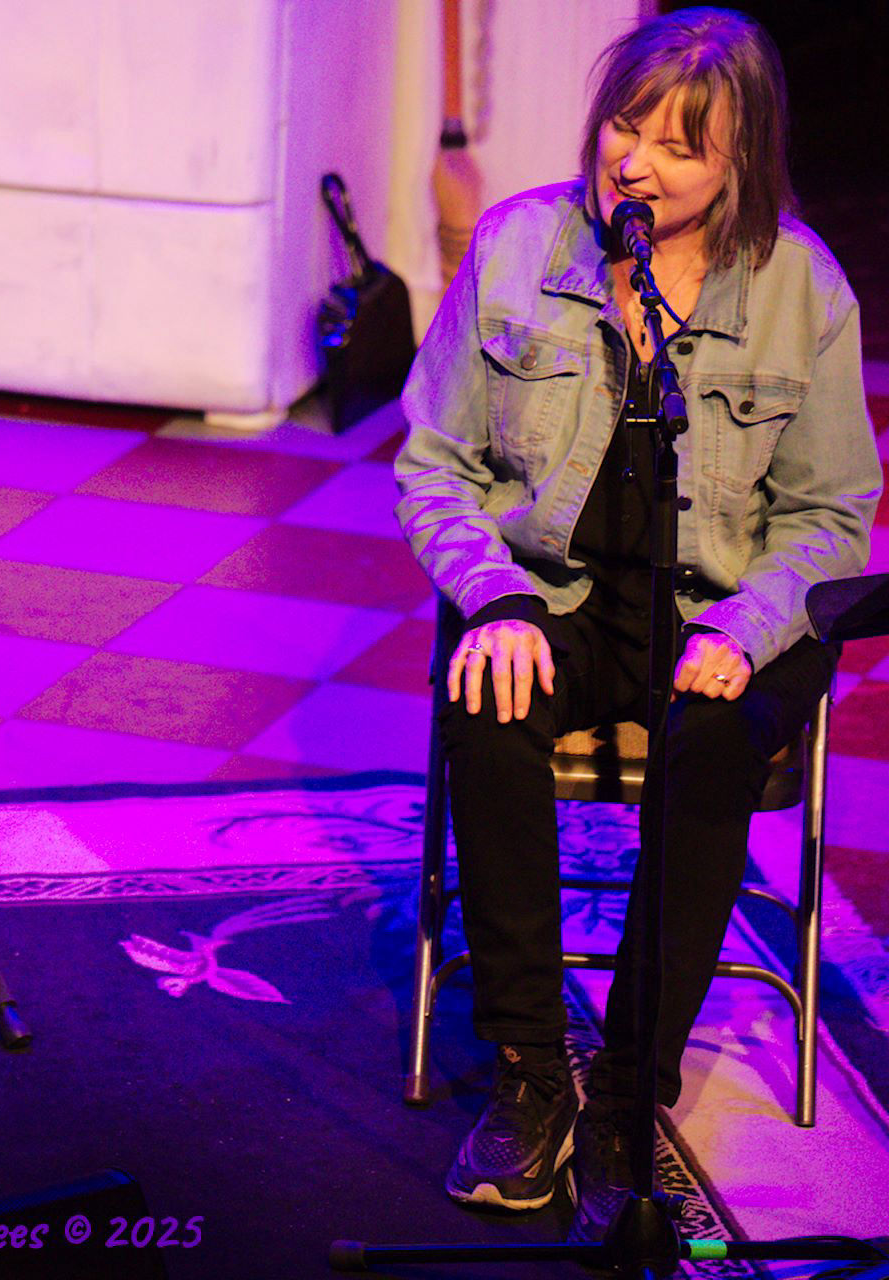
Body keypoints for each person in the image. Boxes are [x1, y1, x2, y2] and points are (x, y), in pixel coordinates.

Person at [394, 8, 877, 1241]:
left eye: (682, 145)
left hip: (723, 613)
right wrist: (493, 597)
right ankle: (526, 1077)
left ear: (740, 164)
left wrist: (750, 631)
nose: (636, 163)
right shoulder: (517, 247)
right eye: (626, 124)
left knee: (714, 741)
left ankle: (628, 1090)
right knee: (487, 706)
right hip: (548, 599)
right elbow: (433, 463)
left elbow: (830, 516)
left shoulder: (802, 288)